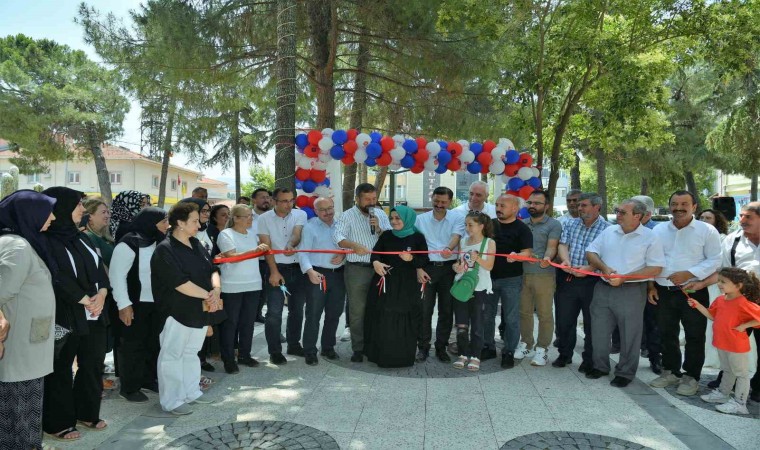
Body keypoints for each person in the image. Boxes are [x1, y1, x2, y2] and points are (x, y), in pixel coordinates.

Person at [41, 187, 111, 438]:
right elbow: (56, 275)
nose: (83, 209)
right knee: (61, 368)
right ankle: (58, 422)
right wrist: (82, 299)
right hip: (66, 313)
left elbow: (99, 269)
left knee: (92, 363)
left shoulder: (81, 237)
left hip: (94, 311)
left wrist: (101, 293)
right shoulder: (46, 239)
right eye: (78, 205)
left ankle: (86, 412)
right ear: (62, 208)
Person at [150, 202, 223, 415]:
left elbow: (213, 269)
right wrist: (209, 295)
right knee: (172, 355)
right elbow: (180, 283)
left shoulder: (196, 243)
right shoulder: (165, 249)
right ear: (180, 223)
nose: (199, 225)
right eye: (194, 221)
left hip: (200, 308)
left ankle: (191, 392)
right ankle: (172, 400)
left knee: (191, 352)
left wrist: (216, 290)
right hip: (176, 311)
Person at [585, 199, 665, 387]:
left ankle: (625, 372)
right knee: (599, 330)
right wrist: (604, 268)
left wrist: (624, 278)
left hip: (631, 290)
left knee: (630, 334)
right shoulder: (609, 231)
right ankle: (600, 366)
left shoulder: (650, 237)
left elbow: (655, 268)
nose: (617, 215)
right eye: (617, 210)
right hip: (603, 288)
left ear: (637, 216)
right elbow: (591, 252)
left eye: (622, 212)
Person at [648, 191, 722, 396]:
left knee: (694, 335)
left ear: (694, 207)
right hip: (663, 290)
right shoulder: (659, 230)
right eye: (674, 204)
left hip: (693, 290)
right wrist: (651, 286)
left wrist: (689, 273)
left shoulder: (707, 230)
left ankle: (692, 376)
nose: (678, 208)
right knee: (666, 333)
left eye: (684, 204)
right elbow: (650, 259)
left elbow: (715, 260)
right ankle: (671, 371)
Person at [0, 190, 57, 447]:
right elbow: (2, 291)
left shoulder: (19, 242)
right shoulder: (17, 246)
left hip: (26, 342)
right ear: (28, 214)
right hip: (21, 346)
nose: (52, 217)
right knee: (21, 411)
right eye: (47, 212)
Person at [687, 202, 760, 401]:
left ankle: (756, 386)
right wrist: (702, 284)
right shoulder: (732, 239)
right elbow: (722, 271)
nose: (742, 220)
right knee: (730, 340)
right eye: (741, 216)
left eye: (748, 217)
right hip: (739, 299)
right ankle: (727, 380)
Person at [110, 207, 169, 403]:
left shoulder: (159, 241)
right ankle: (129, 387)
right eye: (163, 222)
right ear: (150, 223)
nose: (167, 225)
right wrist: (124, 305)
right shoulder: (128, 244)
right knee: (132, 345)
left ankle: (148, 379)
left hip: (156, 303)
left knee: (153, 344)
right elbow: (117, 276)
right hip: (134, 303)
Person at [365, 205, 429, 368]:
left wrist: (411, 259)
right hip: (386, 283)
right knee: (385, 318)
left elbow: (424, 260)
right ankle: (382, 356)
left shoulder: (418, 237)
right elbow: (375, 253)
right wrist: (376, 262)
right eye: (391, 218)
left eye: (397, 218)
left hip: (407, 285)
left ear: (407, 219)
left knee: (405, 318)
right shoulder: (386, 235)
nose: (394, 221)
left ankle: (402, 357)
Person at [690, 268, 760, 415]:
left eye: (723, 282)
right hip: (723, 343)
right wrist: (697, 305)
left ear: (738, 285)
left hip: (736, 345)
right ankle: (723, 393)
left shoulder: (743, 303)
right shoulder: (720, 299)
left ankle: (740, 403)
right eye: (719, 281)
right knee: (727, 370)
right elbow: (712, 316)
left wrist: (744, 326)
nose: (719, 284)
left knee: (741, 374)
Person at [334, 183, 391, 362]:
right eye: (367, 199)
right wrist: (353, 245)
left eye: (374, 199)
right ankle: (358, 348)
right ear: (357, 199)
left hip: (380, 269)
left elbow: (391, 238)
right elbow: (338, 237)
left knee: (379, 308)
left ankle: (374, 344)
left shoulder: (380, 214)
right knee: (357, 310)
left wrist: (379, 228)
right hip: (357, 269)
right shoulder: (347, 216)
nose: (371, 202)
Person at [552, 192, 610, 370]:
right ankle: (564, 354)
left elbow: (608, 256)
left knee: (591, 322)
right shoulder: (570, 223)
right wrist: (565, 261)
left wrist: (590, 268)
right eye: (579, 205)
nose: (579, 208)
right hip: (568, 277)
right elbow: (563, 245)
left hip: (593, 281)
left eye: (583, 205)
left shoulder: (608, 229)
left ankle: (588, 359)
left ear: (597, 207)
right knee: (564, 319)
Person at [611, 194, 662, 373]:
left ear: (645, 214)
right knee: (623, 321)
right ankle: (619, 348)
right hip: (624, 284)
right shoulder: (618, 229)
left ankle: (654, 357)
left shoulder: (656, 232)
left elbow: (654, 263)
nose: (620, 214)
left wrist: (651, 285)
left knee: (651, 323)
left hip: (650, 284)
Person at [258, 187, 308, 364]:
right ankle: (275, 351)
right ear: (274, 201)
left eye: (291, 200)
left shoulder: (300, 214)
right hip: (276, 268)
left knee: (297, 310)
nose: (289, 204)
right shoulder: (263, 219)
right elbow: (266, 247)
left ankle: (293, 344)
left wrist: (291, 244)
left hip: (298, 269)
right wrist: (274, 272)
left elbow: (296, 234)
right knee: (274, 312)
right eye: (284, 201)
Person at [216, 204, 269, 374]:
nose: (250, 219)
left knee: (248, 322)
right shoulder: (226, 234)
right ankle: (228, 359)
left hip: (253, 284)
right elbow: (231, 257)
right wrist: (254, 250)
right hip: (232, 285)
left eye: (251, 216)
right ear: (236, 218)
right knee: (230, 323)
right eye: (247, 216)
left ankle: (245, 355)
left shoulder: (252, 234)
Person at [415, 186, 463, 362]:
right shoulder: (420, 219)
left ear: (450, 202)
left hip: (449, 269)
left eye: (443, 202)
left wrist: (449, 248)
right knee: (424, 310)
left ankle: (441, 347)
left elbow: (456, 236)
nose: (439, 205)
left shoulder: (458, 218)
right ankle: (423, 347)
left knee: (446, 310)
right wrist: (418, 268)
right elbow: (415, 244)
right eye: (436, 201)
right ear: (432, 199)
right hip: (426, 268)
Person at [298, 197, 346, 366]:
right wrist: (309, 271)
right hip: (317, 274)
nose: (328, 212)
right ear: (315, 211)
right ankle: (310, 350)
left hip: (339, 275)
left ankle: (328, 347)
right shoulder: (310, 227)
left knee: (334, 313)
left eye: (330, 208)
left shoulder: (341, 224)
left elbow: (349, 246)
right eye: (323, 210)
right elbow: (302, 252)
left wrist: (343, 254)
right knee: (313, 314)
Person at [488, 194, 532, 369]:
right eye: (497, 205)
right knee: (487, 315)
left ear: (514, 208)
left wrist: (518, 256)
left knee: (511, 318)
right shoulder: (489, 225)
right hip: (488, 278)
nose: (498, 209)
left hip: (511, 280)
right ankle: (488, 347)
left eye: (503, 206)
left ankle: (508, 351)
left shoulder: (523, 229)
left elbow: (527, 253)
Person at [518, 190, 561, 366]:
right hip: (522, 274)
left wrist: (547, 258)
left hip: (544, 275)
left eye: (537, 203)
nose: (532, 206)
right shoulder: (522, 223)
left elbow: (552, 246)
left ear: (546, 206)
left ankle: (542, 349)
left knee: (544, 314)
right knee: (524, 312)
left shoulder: (554, 224)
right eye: (530, 203)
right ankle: (526, 343)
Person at [452, 211, 496, 371]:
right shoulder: (463, 241)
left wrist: (477, 258)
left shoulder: (489, 242)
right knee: (461, 323)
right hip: (462, 285)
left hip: (480, 288)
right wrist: (456, 267)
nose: (467, 228)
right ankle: (462, 354)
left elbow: (489, 266)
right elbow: (459, 262)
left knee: (478, 323)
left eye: (471, 225)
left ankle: (476, 356)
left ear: (481, 226)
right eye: (466, 225)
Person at [698, 208, 730, 369]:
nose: (704, 220)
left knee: (715, 320)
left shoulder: (723, 239)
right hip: (700, 282)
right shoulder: (697, 236)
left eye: (708, 218)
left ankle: (717, 358)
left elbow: (720, 265)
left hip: (715, 284)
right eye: (702, 217)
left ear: (716, 221)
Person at [84, 198, 115, 265]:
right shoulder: (90, 237)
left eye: (108, 212)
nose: (108, 216)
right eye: (103, 212)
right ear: (89, 216)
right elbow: (99, 266)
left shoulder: (105, 237)